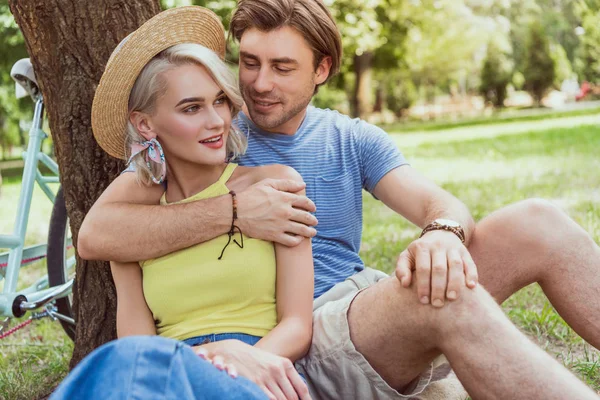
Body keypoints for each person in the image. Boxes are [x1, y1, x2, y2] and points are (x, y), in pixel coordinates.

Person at [78, 1, 600, 399]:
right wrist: (234, 212)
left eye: (282, 67)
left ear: (321, 70)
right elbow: (100, 235)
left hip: (365, 301)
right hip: (317, 323)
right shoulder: (201, 129)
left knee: (540, 223)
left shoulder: (350, 138)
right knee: (442, 300)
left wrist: (442, 234)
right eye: (250, 63)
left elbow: (439, 204)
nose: (258, 85)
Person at [72, 7, 313, 399]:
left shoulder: (276, 186)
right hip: (169, 376)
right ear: (146, 124)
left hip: (258, 371)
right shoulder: (134, 227)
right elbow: (139, 350)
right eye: (191, 108)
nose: (217, 121)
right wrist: (209, 356)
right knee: (110, 368)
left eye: (219, 101)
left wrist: (241, 361)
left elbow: (298, 325)